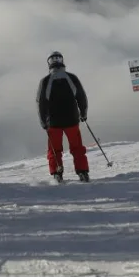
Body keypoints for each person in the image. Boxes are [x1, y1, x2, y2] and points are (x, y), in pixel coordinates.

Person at [36, 51, 90, 182]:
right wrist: (83, 114)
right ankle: (82, 171)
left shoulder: (45, 81)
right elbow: (81, 97)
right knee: (77, 147)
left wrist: (43, 121)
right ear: (62, 61)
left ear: (49, 64)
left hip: (53, 122)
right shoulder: (72, 78)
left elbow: (41, 102)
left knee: (55, 149)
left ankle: (57, 173)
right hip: (72, 119)